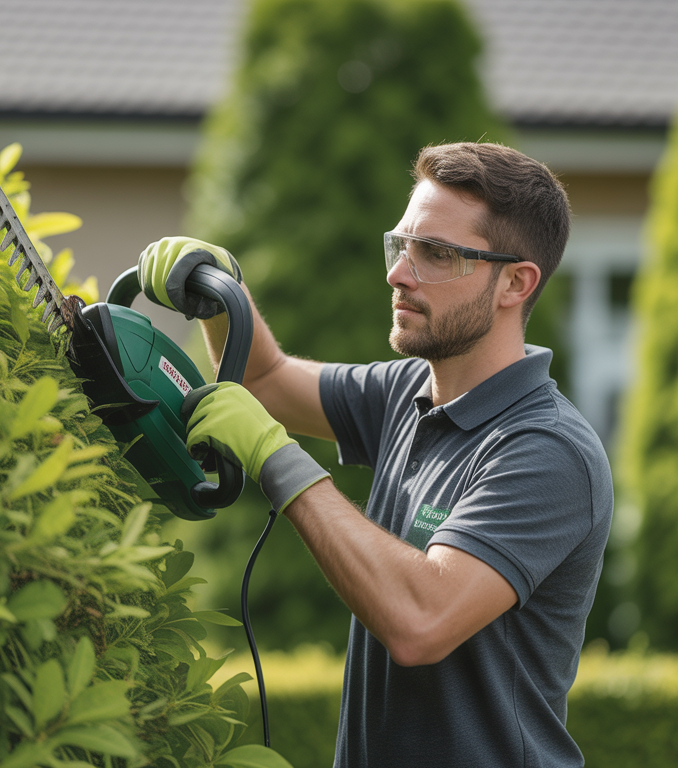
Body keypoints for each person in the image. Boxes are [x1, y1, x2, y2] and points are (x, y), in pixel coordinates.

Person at [138, 142, 613, 767]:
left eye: (437, 254)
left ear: (515, 283)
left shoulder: (546, 450)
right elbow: (267, 381)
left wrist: (276, 459)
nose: (398, 273)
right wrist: (224, 291)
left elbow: (421, 621)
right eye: (402, 246)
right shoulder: (406, 391)